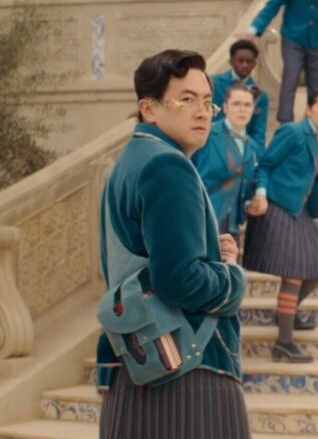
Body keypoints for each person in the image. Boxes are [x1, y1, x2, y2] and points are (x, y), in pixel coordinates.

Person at [97, 49, 250, 438]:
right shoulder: (168, 166)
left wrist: (210, 253)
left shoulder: (130, 162)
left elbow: (150, 256)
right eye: (186, 100)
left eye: (206, 102)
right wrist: (232, 278)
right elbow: (179, 278)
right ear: (149, 109)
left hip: (142, 366)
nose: (201, 112)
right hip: (184, 377)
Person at [243, 89, 318, 363]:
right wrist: (261, 195)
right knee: (295, 273)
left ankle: (286, 313)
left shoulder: (316, 139)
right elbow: (265, 164)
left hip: (297, 211)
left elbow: (302, 170)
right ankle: (284, 343)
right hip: (277, 207)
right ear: (309, 109)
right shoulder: (293, 131)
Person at [245, 0, 318, 123]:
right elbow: (272, 6)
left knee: (317, 87)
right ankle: (285, 123)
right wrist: (255, 28)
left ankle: (313, 123)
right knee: (290, 80)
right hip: (293, 38)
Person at [192, 84, 261, 243]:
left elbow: (246, 184)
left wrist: (250, 201)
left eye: (247, 105)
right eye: (237, 104)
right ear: (225, 107)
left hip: (232, 225)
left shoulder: (252, 145)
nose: (242, 109)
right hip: (203, 221)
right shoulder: (207, 134)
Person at [211, 39, 269, 148]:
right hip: (214, 144)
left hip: (243, 148)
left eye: (249, 61)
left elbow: (259, 133)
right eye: (240, 60)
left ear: (255, 64)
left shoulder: (261, 95)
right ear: (231, 61)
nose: (245, 65)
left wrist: (257, 159)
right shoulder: (214, 84)